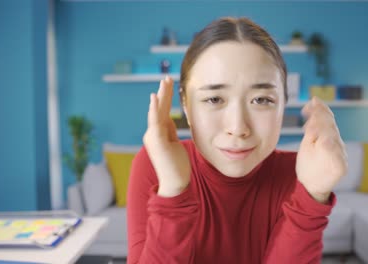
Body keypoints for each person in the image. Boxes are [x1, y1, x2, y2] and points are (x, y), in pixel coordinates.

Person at [127, 17, 347, 264]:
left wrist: (312, 196)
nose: (238, 128)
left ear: (283, 104)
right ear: (186, 106)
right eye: (214, 99)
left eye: (261, 100)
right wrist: (173, 193)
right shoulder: (154, 165)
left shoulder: (303, 175)